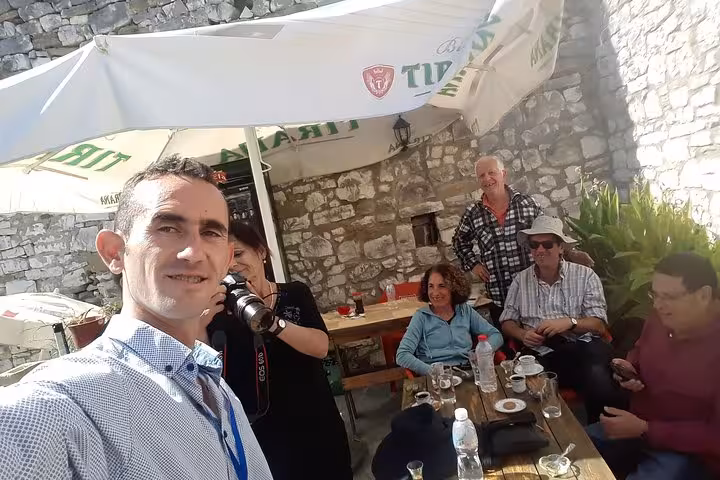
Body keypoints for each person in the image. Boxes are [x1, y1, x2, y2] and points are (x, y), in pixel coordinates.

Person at [0, 156, 272, 480]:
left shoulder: (215, 387)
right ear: (114, 253)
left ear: (227, 259)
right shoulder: (68, 400)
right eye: (168, 228)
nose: (194, 253)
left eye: (211, 233)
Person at [201, 221, 352, 480]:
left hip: (316, 421)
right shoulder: (218, 312)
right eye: (223, 259)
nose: (232, 265)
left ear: (260, 252)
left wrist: (268, 320)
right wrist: (198, 322)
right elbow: (204, 378)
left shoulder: (295, 293)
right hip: (262, 434)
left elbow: (320, 347)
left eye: (238, 254)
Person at [586, 252, 720, 480]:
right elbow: (640, 350)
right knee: (566, 449)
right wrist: (629, 368)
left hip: (689, 453)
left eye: (669, 297)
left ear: (704, 295)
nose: (658, 305)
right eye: (655, 295)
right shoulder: (660, 317)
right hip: (635, 428)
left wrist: (646, 429)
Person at [499, 215, 619, 422]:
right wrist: (523, 333)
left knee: (598, 381)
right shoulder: (521, 279)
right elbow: (507, 321)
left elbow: (599, 324)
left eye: (547, 244)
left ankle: (600, 435)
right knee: (529, 392)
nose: (540, 250)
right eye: (534, 245)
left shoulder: (585, 275)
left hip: (582, 347)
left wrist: (569, 322)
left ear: (561, 247)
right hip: (540, 351)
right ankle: (549, 438)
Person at [452, 155, 593, 326]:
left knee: (539, 343)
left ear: (503, 174)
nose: (487, 179)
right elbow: (459, 241)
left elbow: (550, 233)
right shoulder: (472, 213)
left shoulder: (527, 204)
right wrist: (473, 264)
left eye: (492, 173)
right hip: (499, 295)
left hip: (534, 296)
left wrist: (571, 252)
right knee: (509, 346)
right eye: (481, 175)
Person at [396, 263, 503, 375]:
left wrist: (482, 352)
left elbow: (496, 335)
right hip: (435, 377)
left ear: (454, 288)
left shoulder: (465, 310)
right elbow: (402, 355)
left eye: (442, 286)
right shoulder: (421, 317)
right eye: (431, 286)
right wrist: (432, 371)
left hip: (466, 373)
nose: (435, 293)